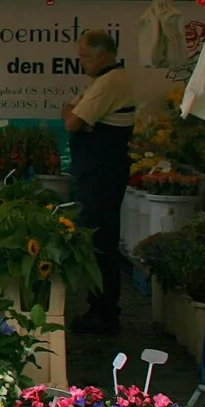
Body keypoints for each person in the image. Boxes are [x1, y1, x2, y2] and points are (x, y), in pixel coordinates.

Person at [62, 29, 136, 335]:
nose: (81, 62)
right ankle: (101, 307)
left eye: (85, 56)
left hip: (103, 174)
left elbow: (71, 120)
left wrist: (74, 115)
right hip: (98, 172)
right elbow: (73, 115)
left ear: (104, 54)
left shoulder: (110, 82)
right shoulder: (103, 81)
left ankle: (104, 312)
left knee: (101, 241)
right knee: (97, 240)